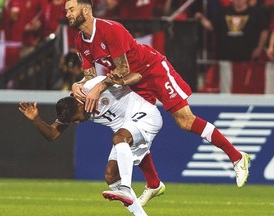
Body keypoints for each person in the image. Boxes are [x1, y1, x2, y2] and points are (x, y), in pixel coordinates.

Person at [65, 0, 250, 195]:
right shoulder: (79, 40)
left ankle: (237, 157)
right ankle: (153, 184)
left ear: (86, 10)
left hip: (152, 70)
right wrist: (79, 84)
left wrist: (100, 87)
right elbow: (90, 77)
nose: (67, 13)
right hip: (131, 81)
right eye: (66, 10)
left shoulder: (109, 30)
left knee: (186, 121)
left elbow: (123, 68)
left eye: (71, 9)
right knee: (132, 128)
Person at [19, 75, 165, 215]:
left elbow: (135, 76)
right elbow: (52, 134)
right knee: (110, 176)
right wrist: (36, 120)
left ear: (79, 104)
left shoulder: (95, 87)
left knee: (119, 138)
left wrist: (113, 80)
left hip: (145, 114)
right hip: (128, 131)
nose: (77, 122)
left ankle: (125, 187)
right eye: (73, 121)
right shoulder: (71, 107)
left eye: (77, 118)